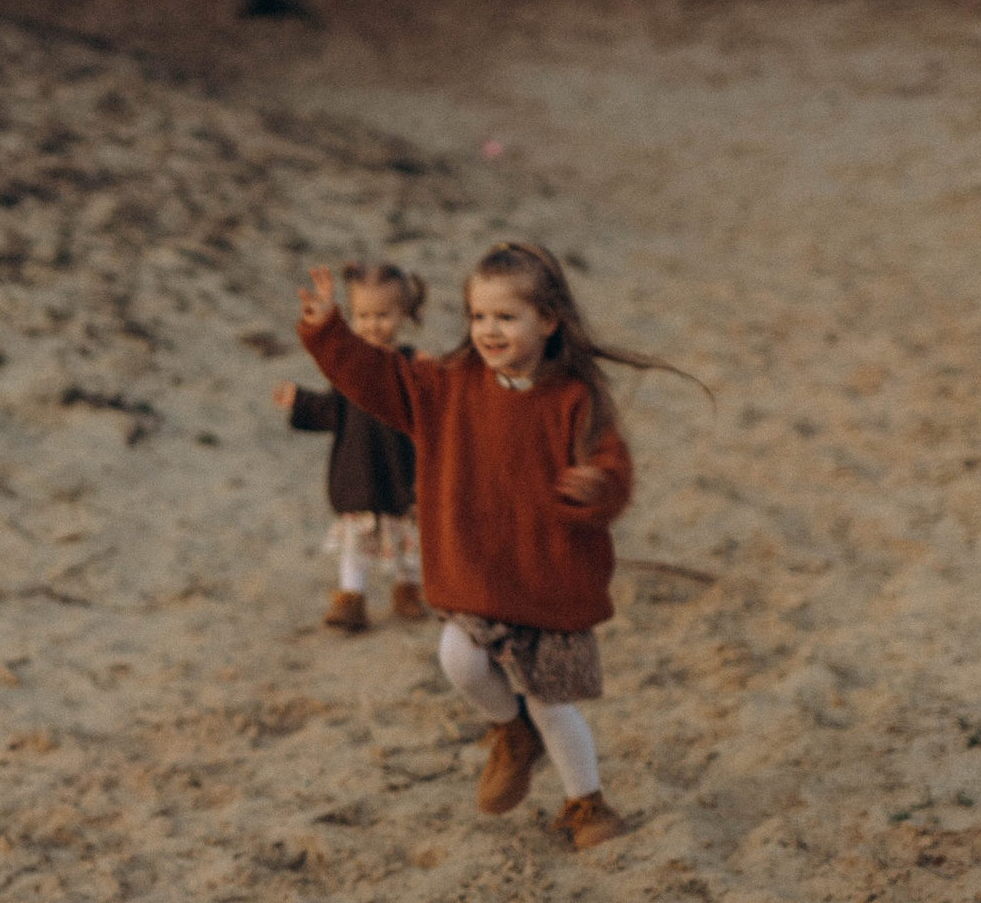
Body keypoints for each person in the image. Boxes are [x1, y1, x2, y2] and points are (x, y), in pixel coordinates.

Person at [294, 243, 697, 851]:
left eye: (506, 317)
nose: (489, 330)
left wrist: (598, 485)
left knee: (551, 703)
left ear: (548, 320)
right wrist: (327, 332)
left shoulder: (573, 397)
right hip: (477, 575)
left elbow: (612, 465)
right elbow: (375, 379)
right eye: (479, 317)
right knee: (459, 659)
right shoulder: (447, 385)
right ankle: (511, 733)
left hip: (546, 580)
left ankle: (586, 803)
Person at [271, 262, 427, 632]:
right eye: (363, 315)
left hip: (401, 471)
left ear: (404, 313)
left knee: (407, 539)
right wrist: (300, 401)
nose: (373, 325)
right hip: (358, 473)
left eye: (383, 315)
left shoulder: (411, 365)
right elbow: (331, 411)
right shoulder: (351, 368)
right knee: (355, 544)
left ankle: (408, 589)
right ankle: (351, 598)